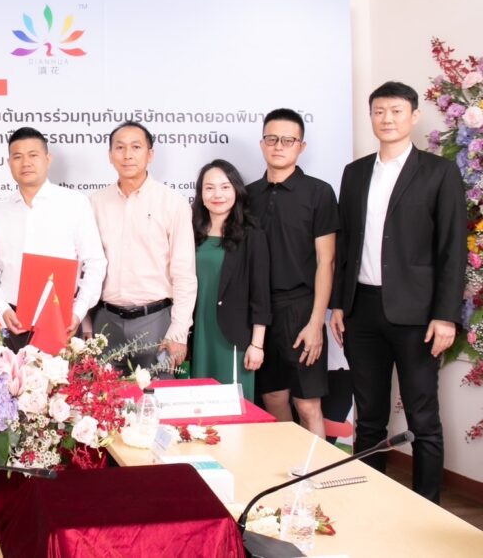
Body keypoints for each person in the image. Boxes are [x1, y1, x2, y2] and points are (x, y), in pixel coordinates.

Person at [330, 82, 466, 504]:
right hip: (361, 310)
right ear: (371, 116)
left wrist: (445, 315)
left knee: (423, 419)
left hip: (417, 315)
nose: (386, 119)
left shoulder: (439, 172)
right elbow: (346, 244)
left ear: (414, 115)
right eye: (379, 111)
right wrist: (339, 304)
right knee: (369, 417)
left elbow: (452, 248)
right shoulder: (354, 173)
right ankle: (372, 506)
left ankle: (427, 509)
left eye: (395, 111)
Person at [247, 108, 338, 438]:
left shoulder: (319, 193)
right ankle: (287, 465)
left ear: (301, 146)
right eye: (272, 139)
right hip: (260, 312)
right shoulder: (247, 195)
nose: (278, 146)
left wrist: (316, 323)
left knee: (308, 405)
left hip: (301, 309)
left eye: (288, 140)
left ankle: (319, 469)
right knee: (272, 398)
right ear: (262, 143)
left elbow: (326, 261)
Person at [90, 121, 196, 375]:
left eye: (136, 147)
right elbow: (86, 267)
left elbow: (184, 273)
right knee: (102, 397)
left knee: (159, 396)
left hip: (157, 321)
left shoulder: (173, 203)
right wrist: (85, 323)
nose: (127, 155)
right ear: (110, 155)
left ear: (150, 154)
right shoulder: (95, 203)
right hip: (106, 322)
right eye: (120, 147)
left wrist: (178, 332)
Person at [0, 127, 106, 351]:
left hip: (61, 320)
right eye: (17, 157)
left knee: (62, 375)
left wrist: (78, 312)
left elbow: (95, 263)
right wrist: (2, 309)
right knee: (9, 375)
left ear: (48, 159)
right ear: (9, 163)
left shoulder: (74, 203)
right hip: (13, 322)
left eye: (33, 155)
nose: (26, 163)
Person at [191, 160, 271, 401]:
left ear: (236, 190)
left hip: (233, 337)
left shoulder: (251, 235)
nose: (217, 195)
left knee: (232, 408)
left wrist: (257, 344)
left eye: (225, 187)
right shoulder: (190, 231)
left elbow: (260, 293)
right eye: (209, 188)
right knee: (197, 405)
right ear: (201, 193)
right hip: (197, 333)